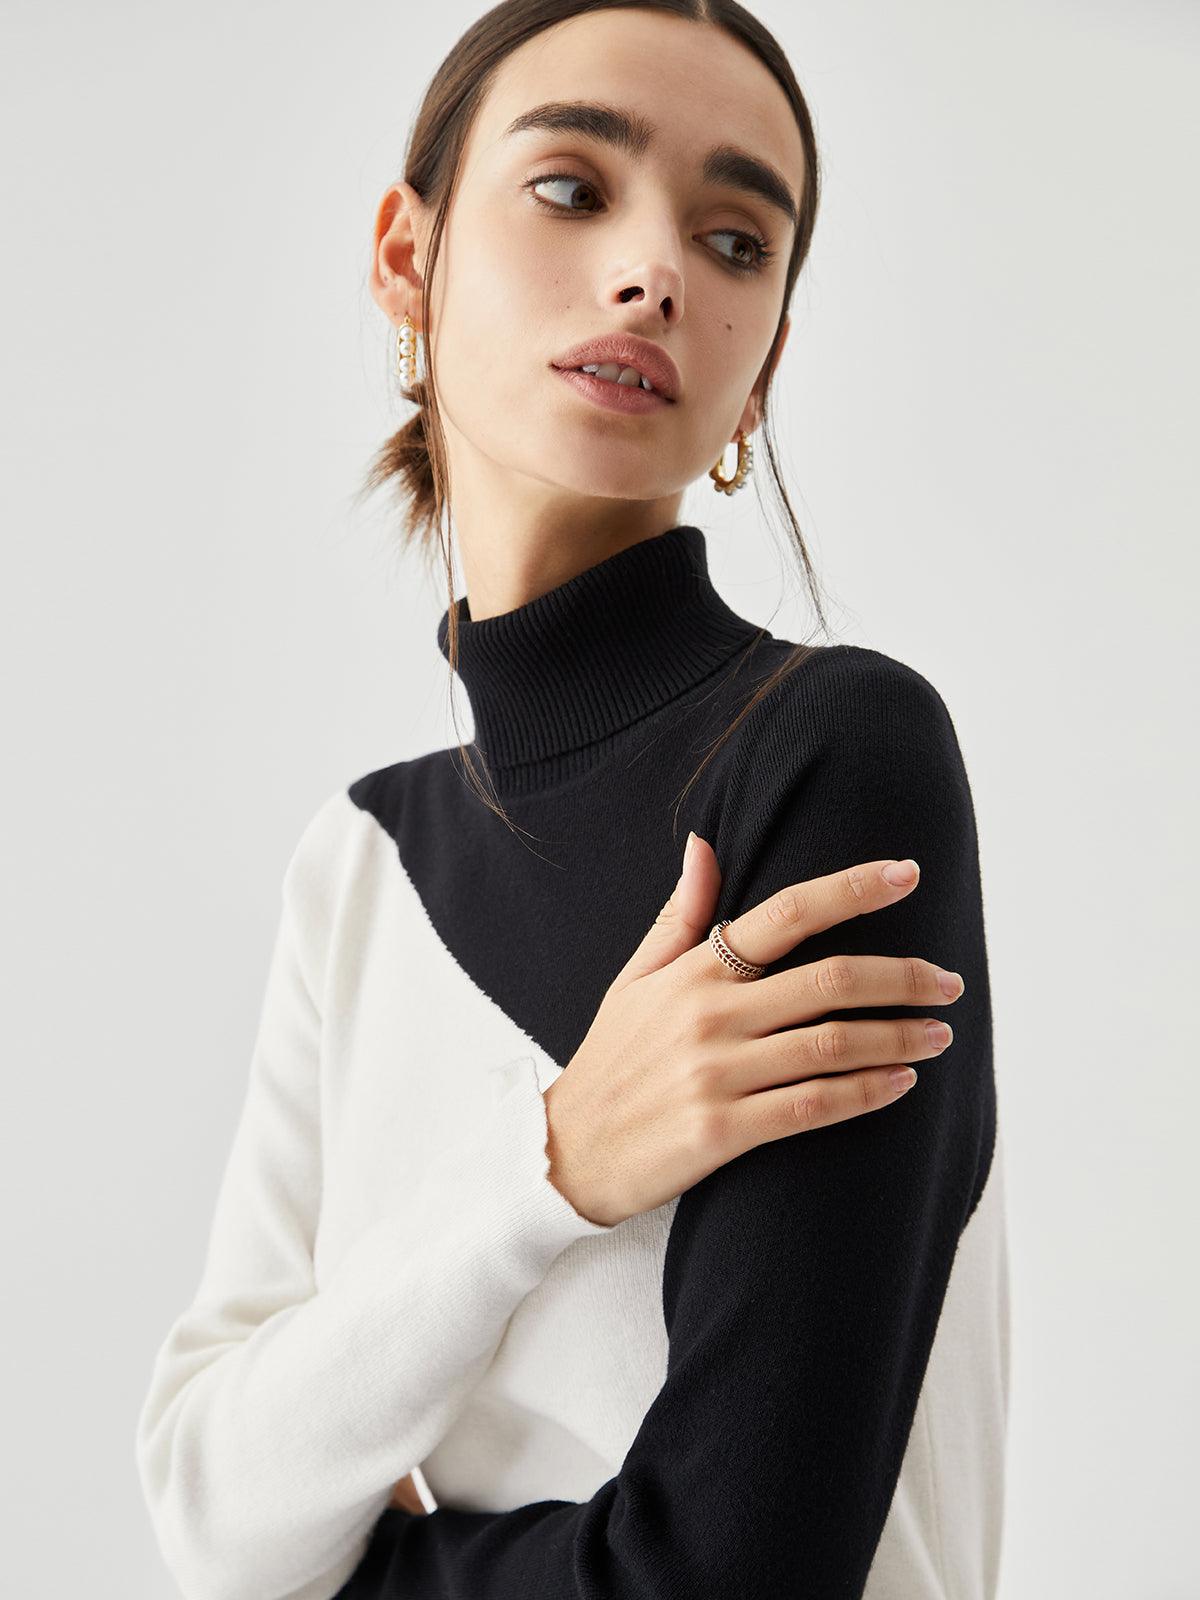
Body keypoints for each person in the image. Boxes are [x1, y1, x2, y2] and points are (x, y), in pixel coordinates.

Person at [134, 2, 1010, 1597]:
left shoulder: (830, 758)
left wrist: (363, 1577)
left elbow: (731, 1576)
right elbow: (207, 1511)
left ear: (762, 365)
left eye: (735, 240)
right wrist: (552, 1164)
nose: (654, 269)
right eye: (570, 188)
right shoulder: (361, 863)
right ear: (407, 258)